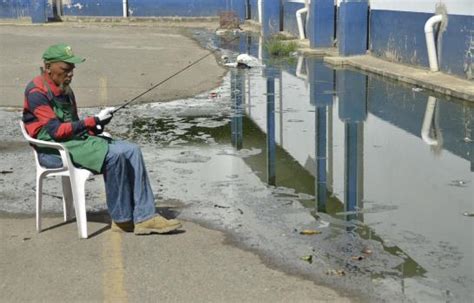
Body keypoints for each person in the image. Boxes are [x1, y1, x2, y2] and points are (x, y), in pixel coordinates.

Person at [22, 43, 182, 235]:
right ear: (48, 67)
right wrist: (92, 120)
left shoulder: (65, 88)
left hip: (72, 141)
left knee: (132, 150)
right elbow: (56, 131)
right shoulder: (36, 92)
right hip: (52, 150)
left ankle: (145, 217)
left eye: (72, 69)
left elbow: (72, 123)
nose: (70, 74)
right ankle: (122, 219)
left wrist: (97, 125)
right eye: (65, 69)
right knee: (113, 155)